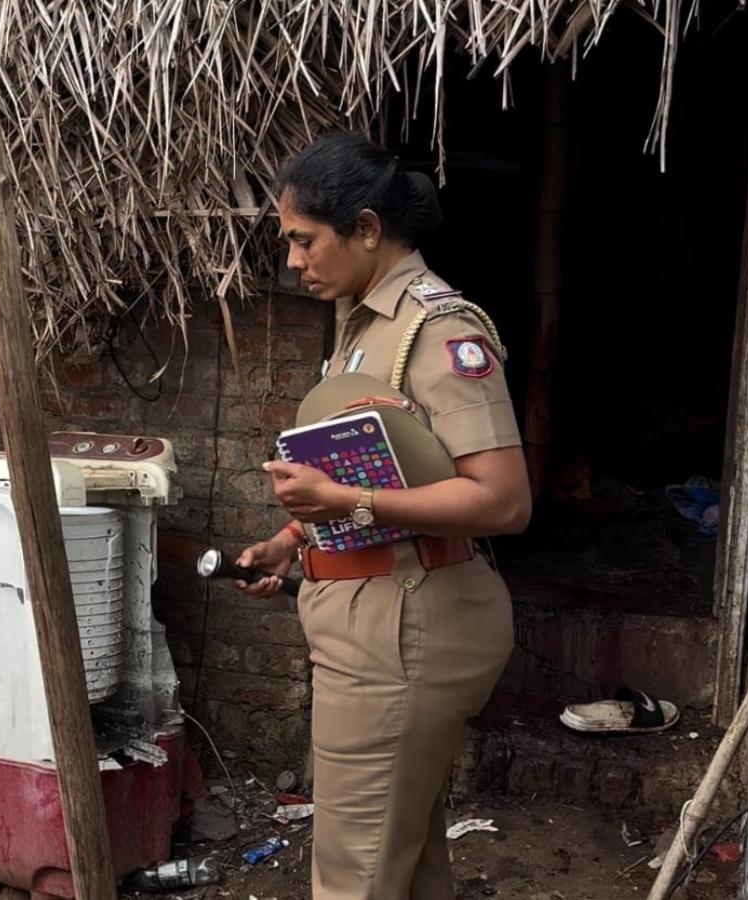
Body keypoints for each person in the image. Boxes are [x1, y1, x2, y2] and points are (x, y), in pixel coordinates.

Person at [235, 133, 531, 900]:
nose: (293, 261)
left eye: (305, 240)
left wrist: (348, 504)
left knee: (355, 877)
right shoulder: (364, 324)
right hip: (373, 619)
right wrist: (293, 538)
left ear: (365, 229)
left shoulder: (439, 331)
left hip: (400, 633)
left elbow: (502, 499)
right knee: (406, 865)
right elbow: (389, 466)